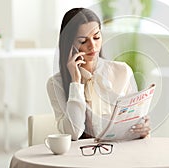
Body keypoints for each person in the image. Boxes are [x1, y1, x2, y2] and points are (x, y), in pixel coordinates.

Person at [47, 8, 150, 140]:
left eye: (96, 37)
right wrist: (75, 82)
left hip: (118, 153)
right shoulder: (55, 84)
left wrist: (141, 128)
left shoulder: (122, 71)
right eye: (83, 41)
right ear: (69, 43)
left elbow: (133, 121)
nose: (93, 46)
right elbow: (73, 133)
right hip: (80, 157)